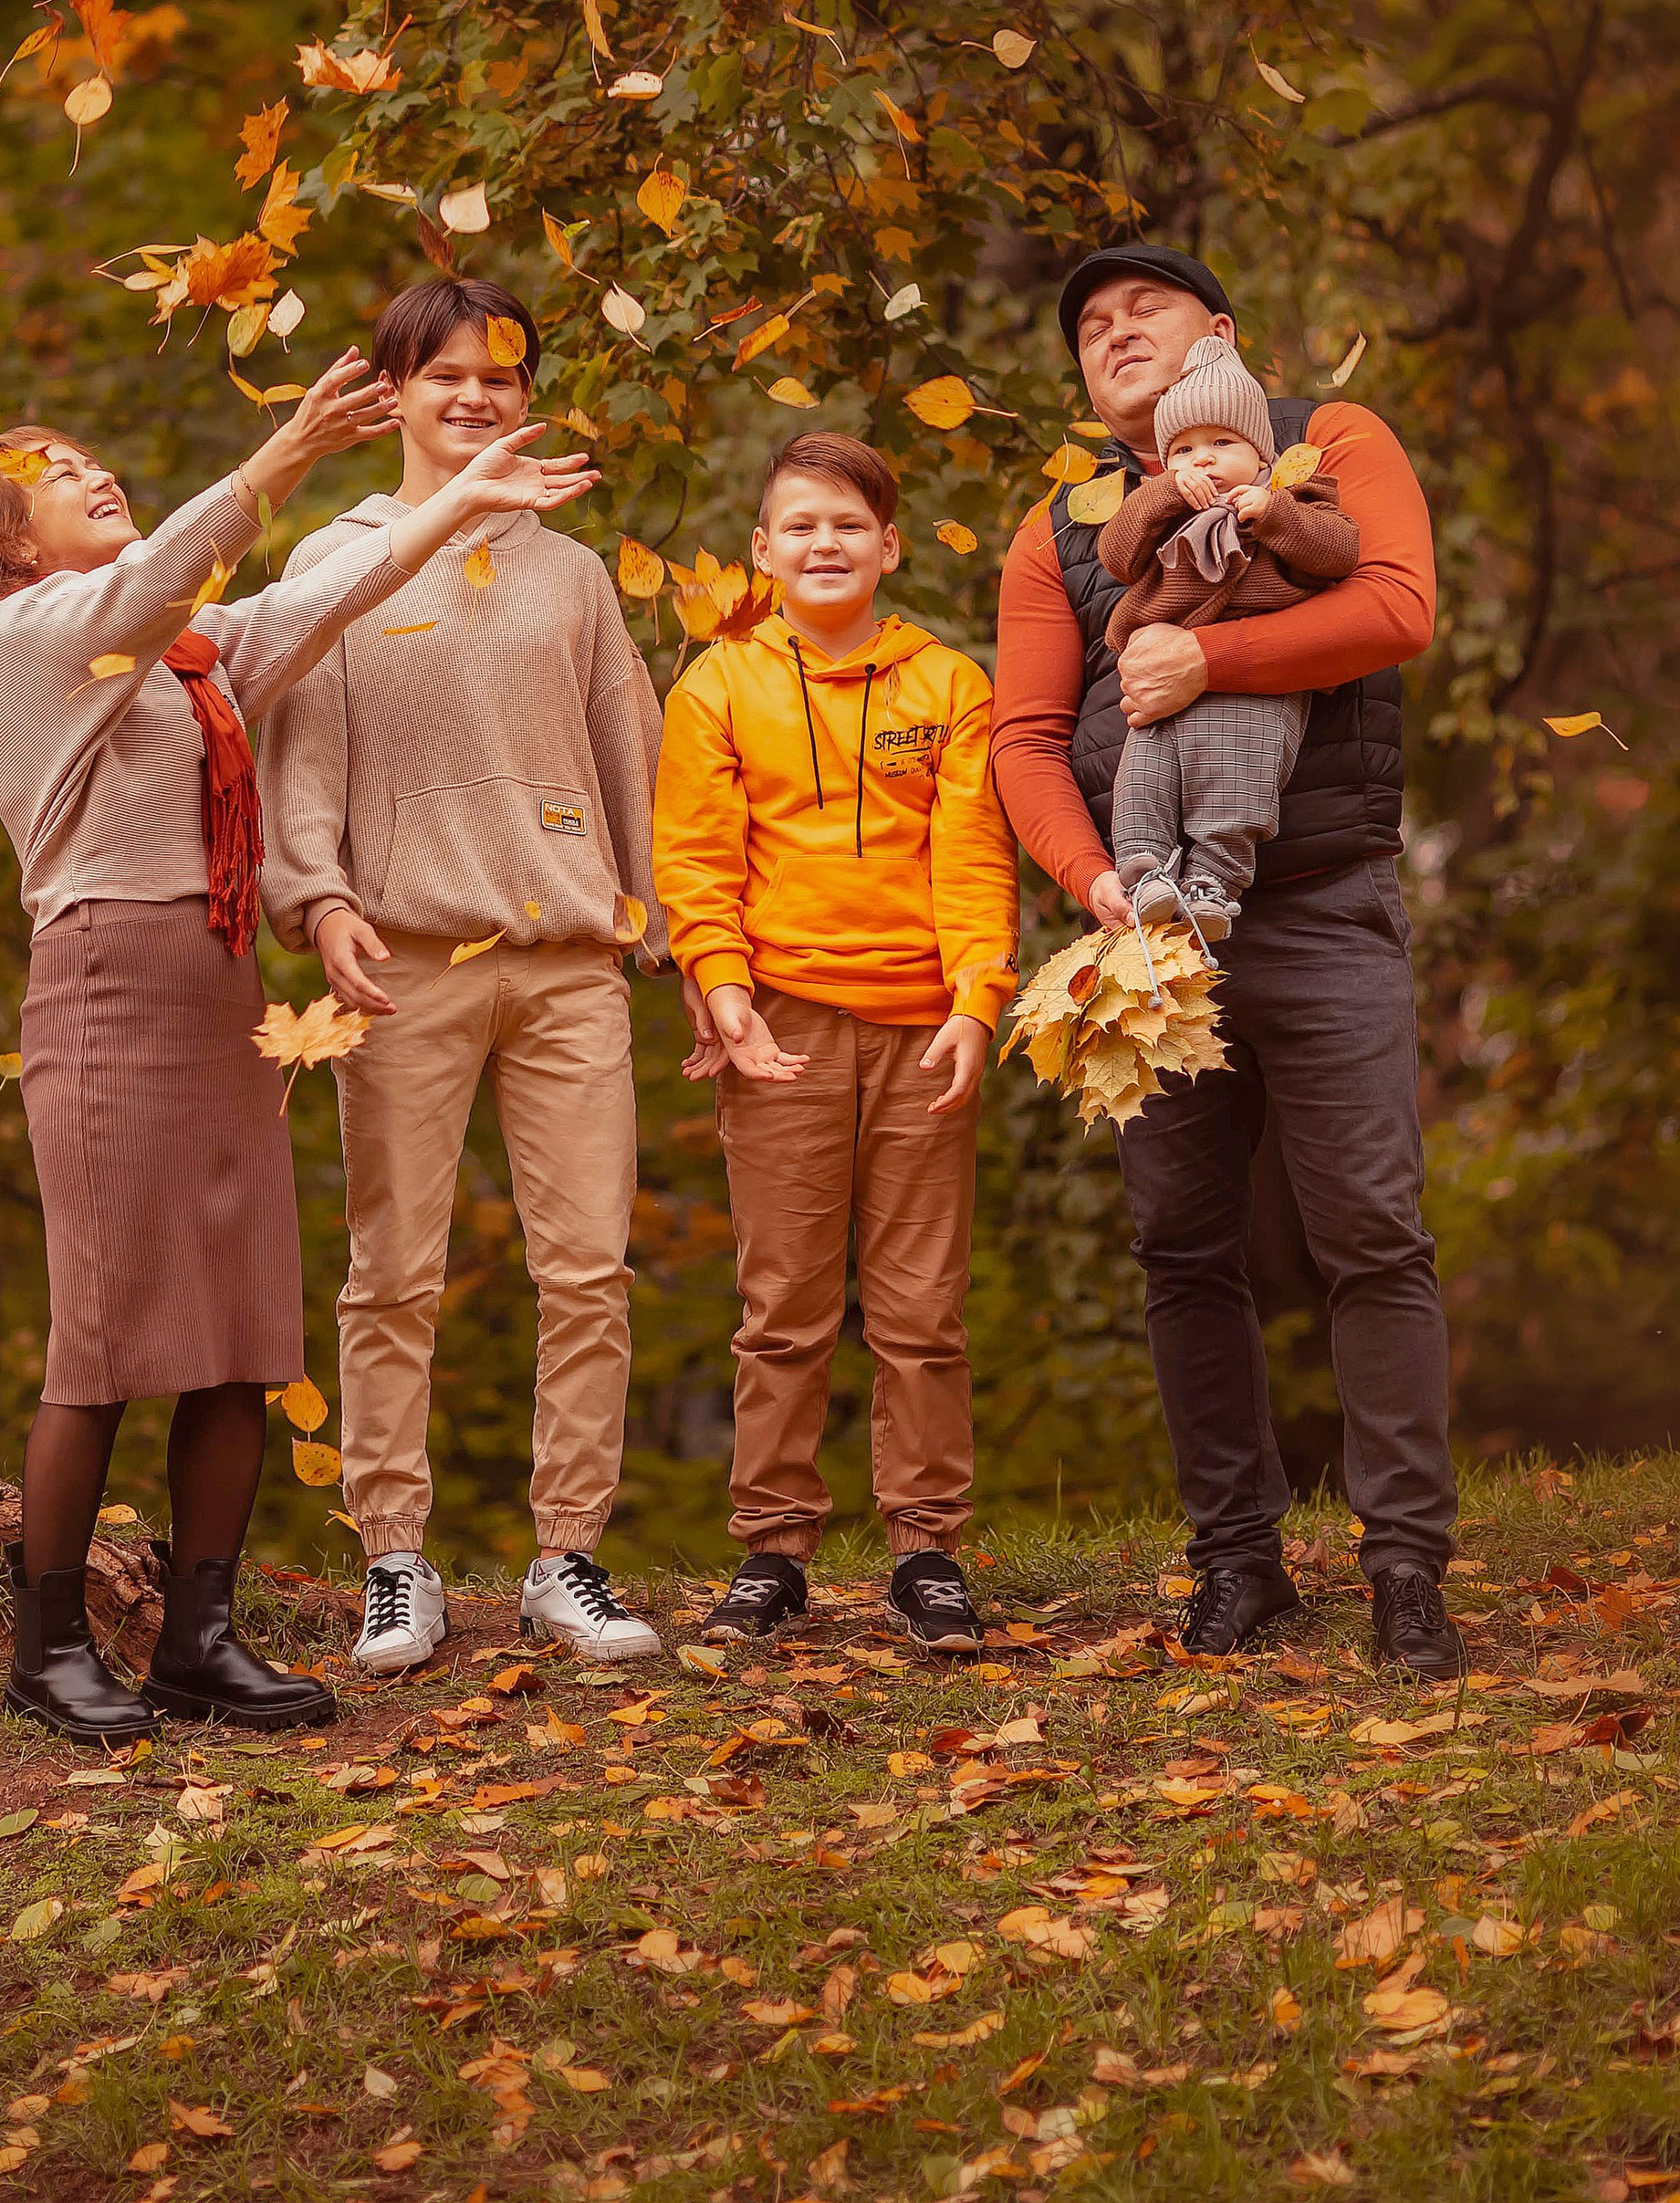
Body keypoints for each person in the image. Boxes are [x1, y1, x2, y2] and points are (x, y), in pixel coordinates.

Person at [0, 349, 598, 1743]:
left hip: (220, 995)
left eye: (91, 457)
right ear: (4, 540)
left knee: (241, 1335)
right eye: (55, 474)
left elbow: (311, 601)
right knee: (102, 1343)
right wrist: (286, 455)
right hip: (106, 991)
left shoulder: (181, 661)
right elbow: (160, 579)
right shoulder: (26, 641)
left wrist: (458, 502)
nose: (94, 473)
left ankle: (198, 1644)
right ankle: (49, 1651)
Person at [991, 247, 1463, 1678]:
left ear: (1224, 334)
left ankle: (1405, 1569)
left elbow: (1397, 608)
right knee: (1183, 1247)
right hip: (1154, 938)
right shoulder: (1062, 529)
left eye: (1145, 309)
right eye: (1091, 326)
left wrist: (1212, 666)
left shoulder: (1328, 446)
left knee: (1371, 1233)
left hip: (1322, 908)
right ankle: (1239, 1565)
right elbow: (1024, 739)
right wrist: (1096, 889)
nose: (1114, 332)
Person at [261, 277, 666, 1672]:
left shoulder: (573, 572)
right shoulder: (340, 558)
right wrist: (317, 900)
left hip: (566, 962)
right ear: (395, 394)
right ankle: (395, 1561)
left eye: (500, 375)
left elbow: (629, 747)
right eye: (445, 375)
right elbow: (297, 753)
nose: (475, 396)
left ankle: (569, 1559)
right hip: (405, 959)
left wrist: (662, 924)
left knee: (590, 1270)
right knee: (392, 1273)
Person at [652, 433, 1018, 1649]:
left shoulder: (949, 685)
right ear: (763, 551)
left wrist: (977, 1000)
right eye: (800, 526)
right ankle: (772, 1552)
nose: (825, 544)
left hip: (924, 1029)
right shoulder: (716, 687)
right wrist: (722, 987)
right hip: (782, 1026)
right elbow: (696, 861)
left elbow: (972, 856)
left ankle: (927, 1552)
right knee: (785, 1305)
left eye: (849, 525)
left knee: (920, 1310)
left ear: (889, 547)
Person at [1099, 330, 1362, 946]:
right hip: (1159, 687)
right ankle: (1145, 874)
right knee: (1143, 777)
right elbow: (1115, 555)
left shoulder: (1293, 500)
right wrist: (1163, 493)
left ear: (1260, 452)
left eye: (1222, 443)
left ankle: (1213, 882)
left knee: (1240, 778)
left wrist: (1273, 513)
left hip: (1253, 684)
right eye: (1183, 450)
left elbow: (1339, 550)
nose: (1203, 460)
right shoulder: (1162, 511)